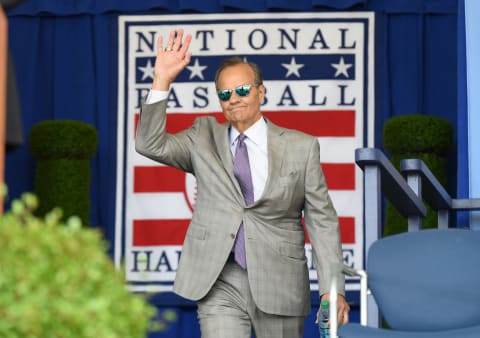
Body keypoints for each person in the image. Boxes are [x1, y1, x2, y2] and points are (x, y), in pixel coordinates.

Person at [135, 28, 350, 338]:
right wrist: (162, 81)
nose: (233, 99)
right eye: (224, 94)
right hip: (219, 278)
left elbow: (321, 220)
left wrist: (332, 287)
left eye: (242, 90)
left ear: (261, 92)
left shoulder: (301, 147)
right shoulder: (202, 137)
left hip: (280, 279)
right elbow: (149, 145)